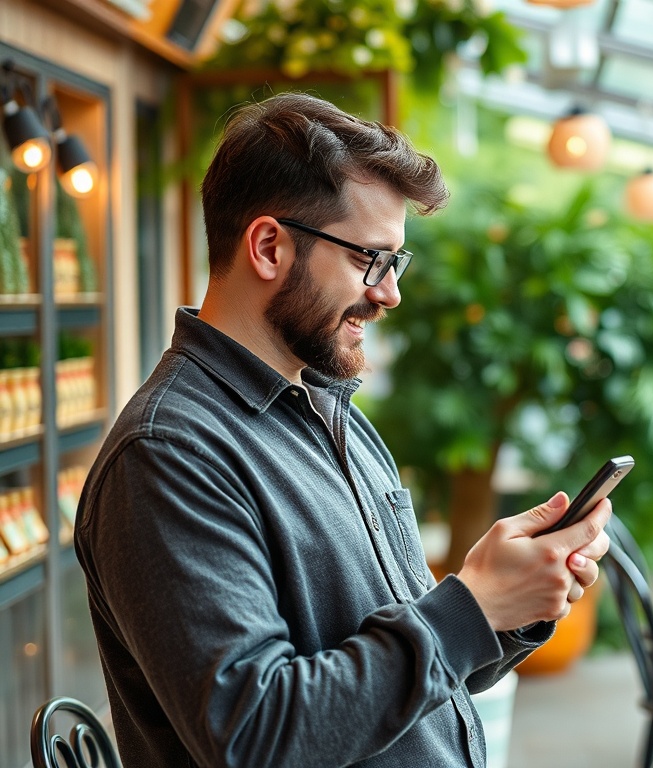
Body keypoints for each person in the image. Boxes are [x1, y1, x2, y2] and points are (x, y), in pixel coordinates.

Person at [74, 93, 610, 768]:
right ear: (269, 246)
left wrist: (510, 604)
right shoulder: (168, 455)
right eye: (370, 260)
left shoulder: (334, 413)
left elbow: (408, 679)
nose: (389, 294)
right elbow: (258, 738)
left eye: (395, 264)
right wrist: (469, 608)